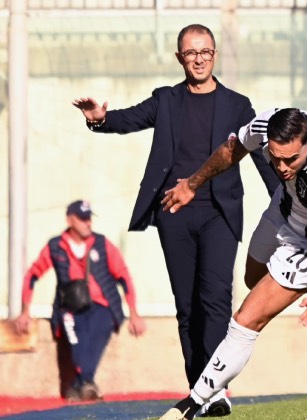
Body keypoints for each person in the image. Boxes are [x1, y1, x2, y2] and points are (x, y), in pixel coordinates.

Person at [72, 23, 279, 415]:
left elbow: (262, 156)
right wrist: (99, 118)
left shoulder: (238, 105)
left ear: (214, 55)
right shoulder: (166, 100)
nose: (198, 59)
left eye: (205, 52)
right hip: (174, 212)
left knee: (215, 299)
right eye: (190, 53)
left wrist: (285, 202)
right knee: (187, 307)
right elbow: (128, 119)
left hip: (219, 212)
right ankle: (198, 387)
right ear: (179, 57)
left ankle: (213, 390)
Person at [158, 108, 307, 420]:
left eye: (291, 160)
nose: (282, 167)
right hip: (284, 209)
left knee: (247, 318)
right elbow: (233, 149)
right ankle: (269, 299)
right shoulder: (266, 123)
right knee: (252, 279)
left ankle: (194, 403)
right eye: (275, 158)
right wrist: (193, 183)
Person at [13, 200, 146, 401]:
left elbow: (123, 277)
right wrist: (25, 311)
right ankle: (86, 386)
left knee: (94, 346)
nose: (88, 223)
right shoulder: (56, 246)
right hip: (69, 308)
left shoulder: (102, 244)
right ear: (70, 220)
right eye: (83, 219)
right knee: (78, 348)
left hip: (103, 306)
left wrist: (134, 313)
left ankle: (80, 386)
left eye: (89, 218)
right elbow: (32, 275)